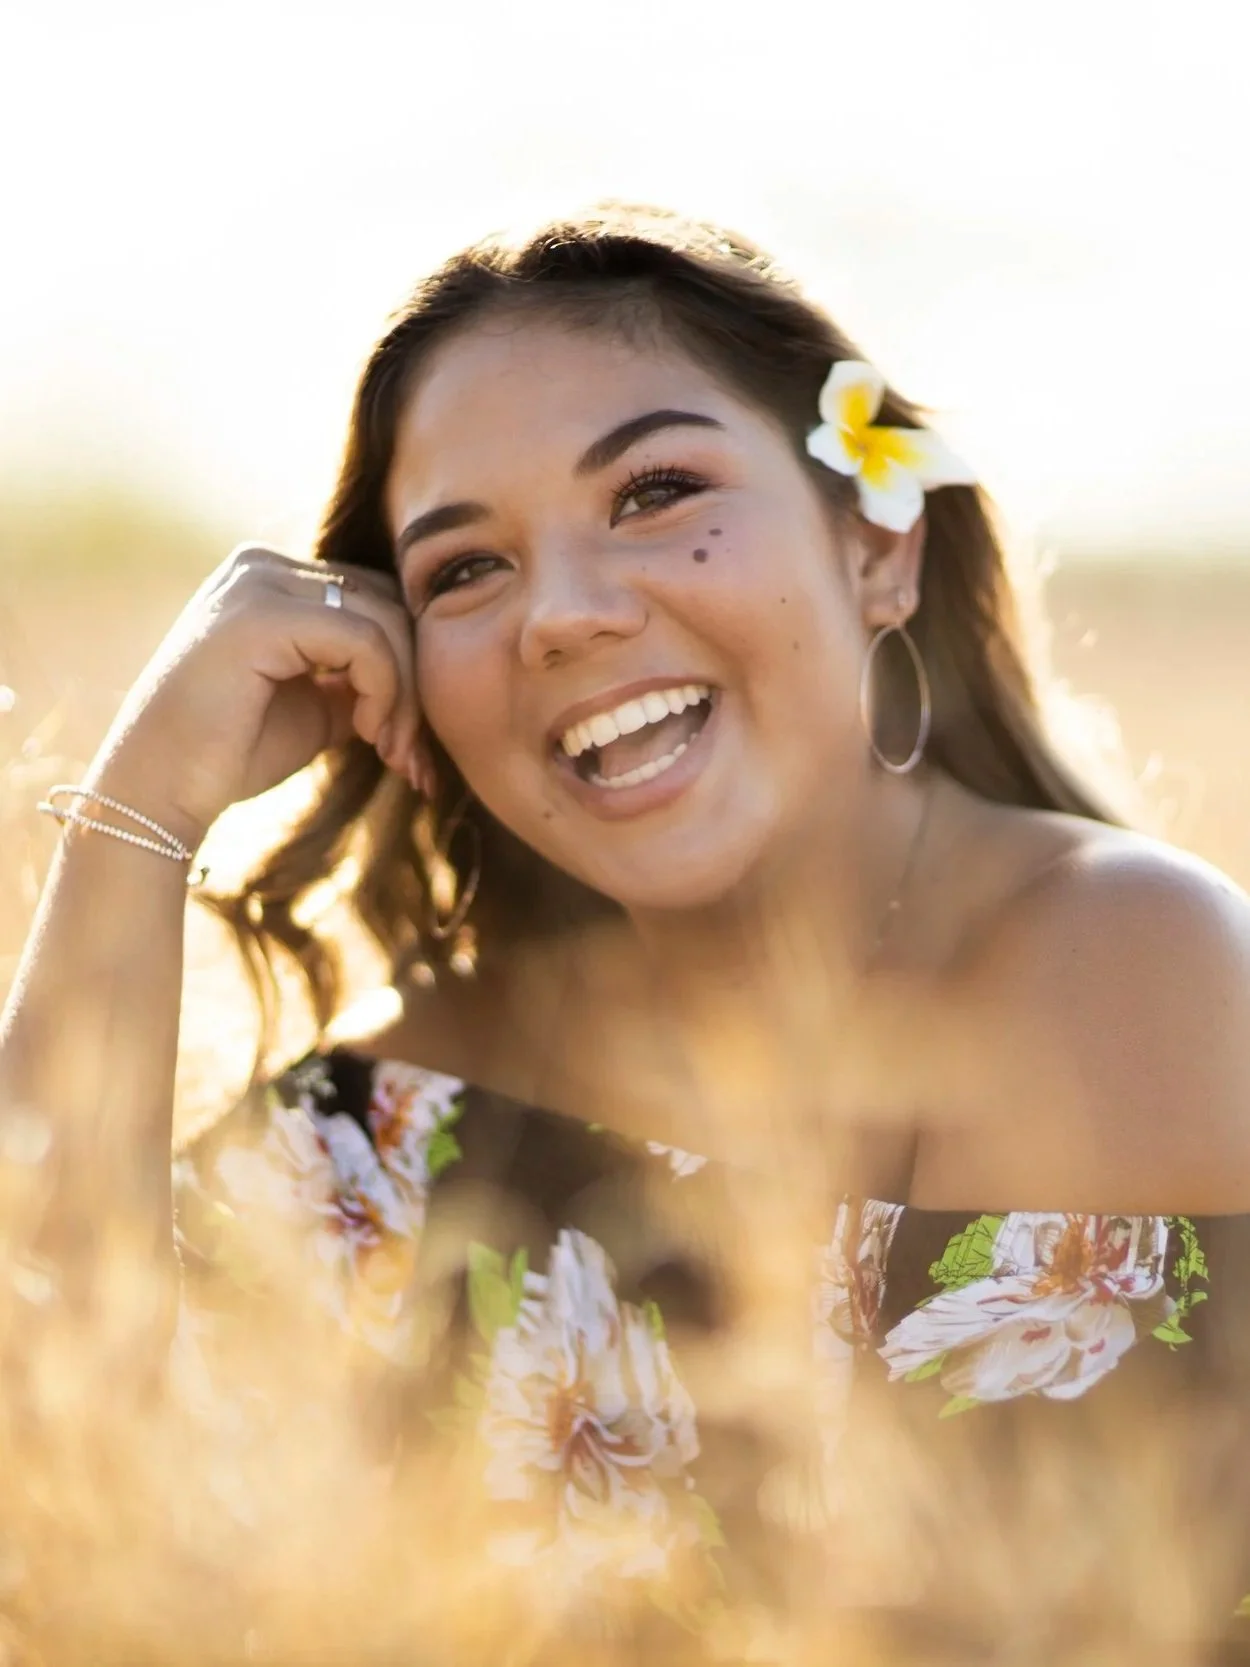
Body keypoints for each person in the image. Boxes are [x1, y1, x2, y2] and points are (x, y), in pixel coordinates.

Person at [3, 203, 1250, 1664]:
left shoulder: (1119, 965)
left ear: (875, 549)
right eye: (464, 568)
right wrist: (142, 806)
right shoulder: (396, 1112)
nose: (564, 616)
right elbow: (47, 1475)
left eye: (655, 490)